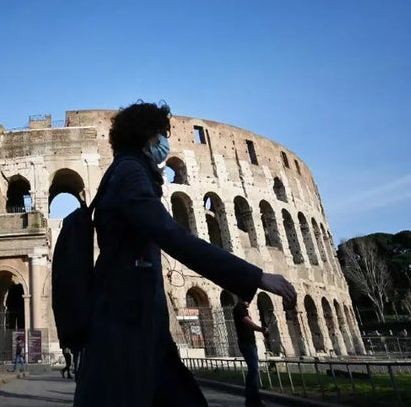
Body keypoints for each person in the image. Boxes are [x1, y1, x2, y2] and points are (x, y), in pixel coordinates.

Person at [72, 102, 297, 407]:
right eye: (164, 135)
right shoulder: (130, 174)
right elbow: (173, 235)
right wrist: (255, 276)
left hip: (139, 328)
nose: (168, 143)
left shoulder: (126, 171)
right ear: (150, 137)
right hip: (124, 327)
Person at [233, 301, 267, 407]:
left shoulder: (244, 310)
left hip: (250, 343)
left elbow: (250, 326)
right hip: (246, 343)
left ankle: (252, 399)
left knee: (254, 370)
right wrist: (261, 329)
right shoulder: (239, 309)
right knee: (253, 370)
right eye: (249, 300)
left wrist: (262, 330)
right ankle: (253, 399)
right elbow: (248, 322)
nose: (250, 303)